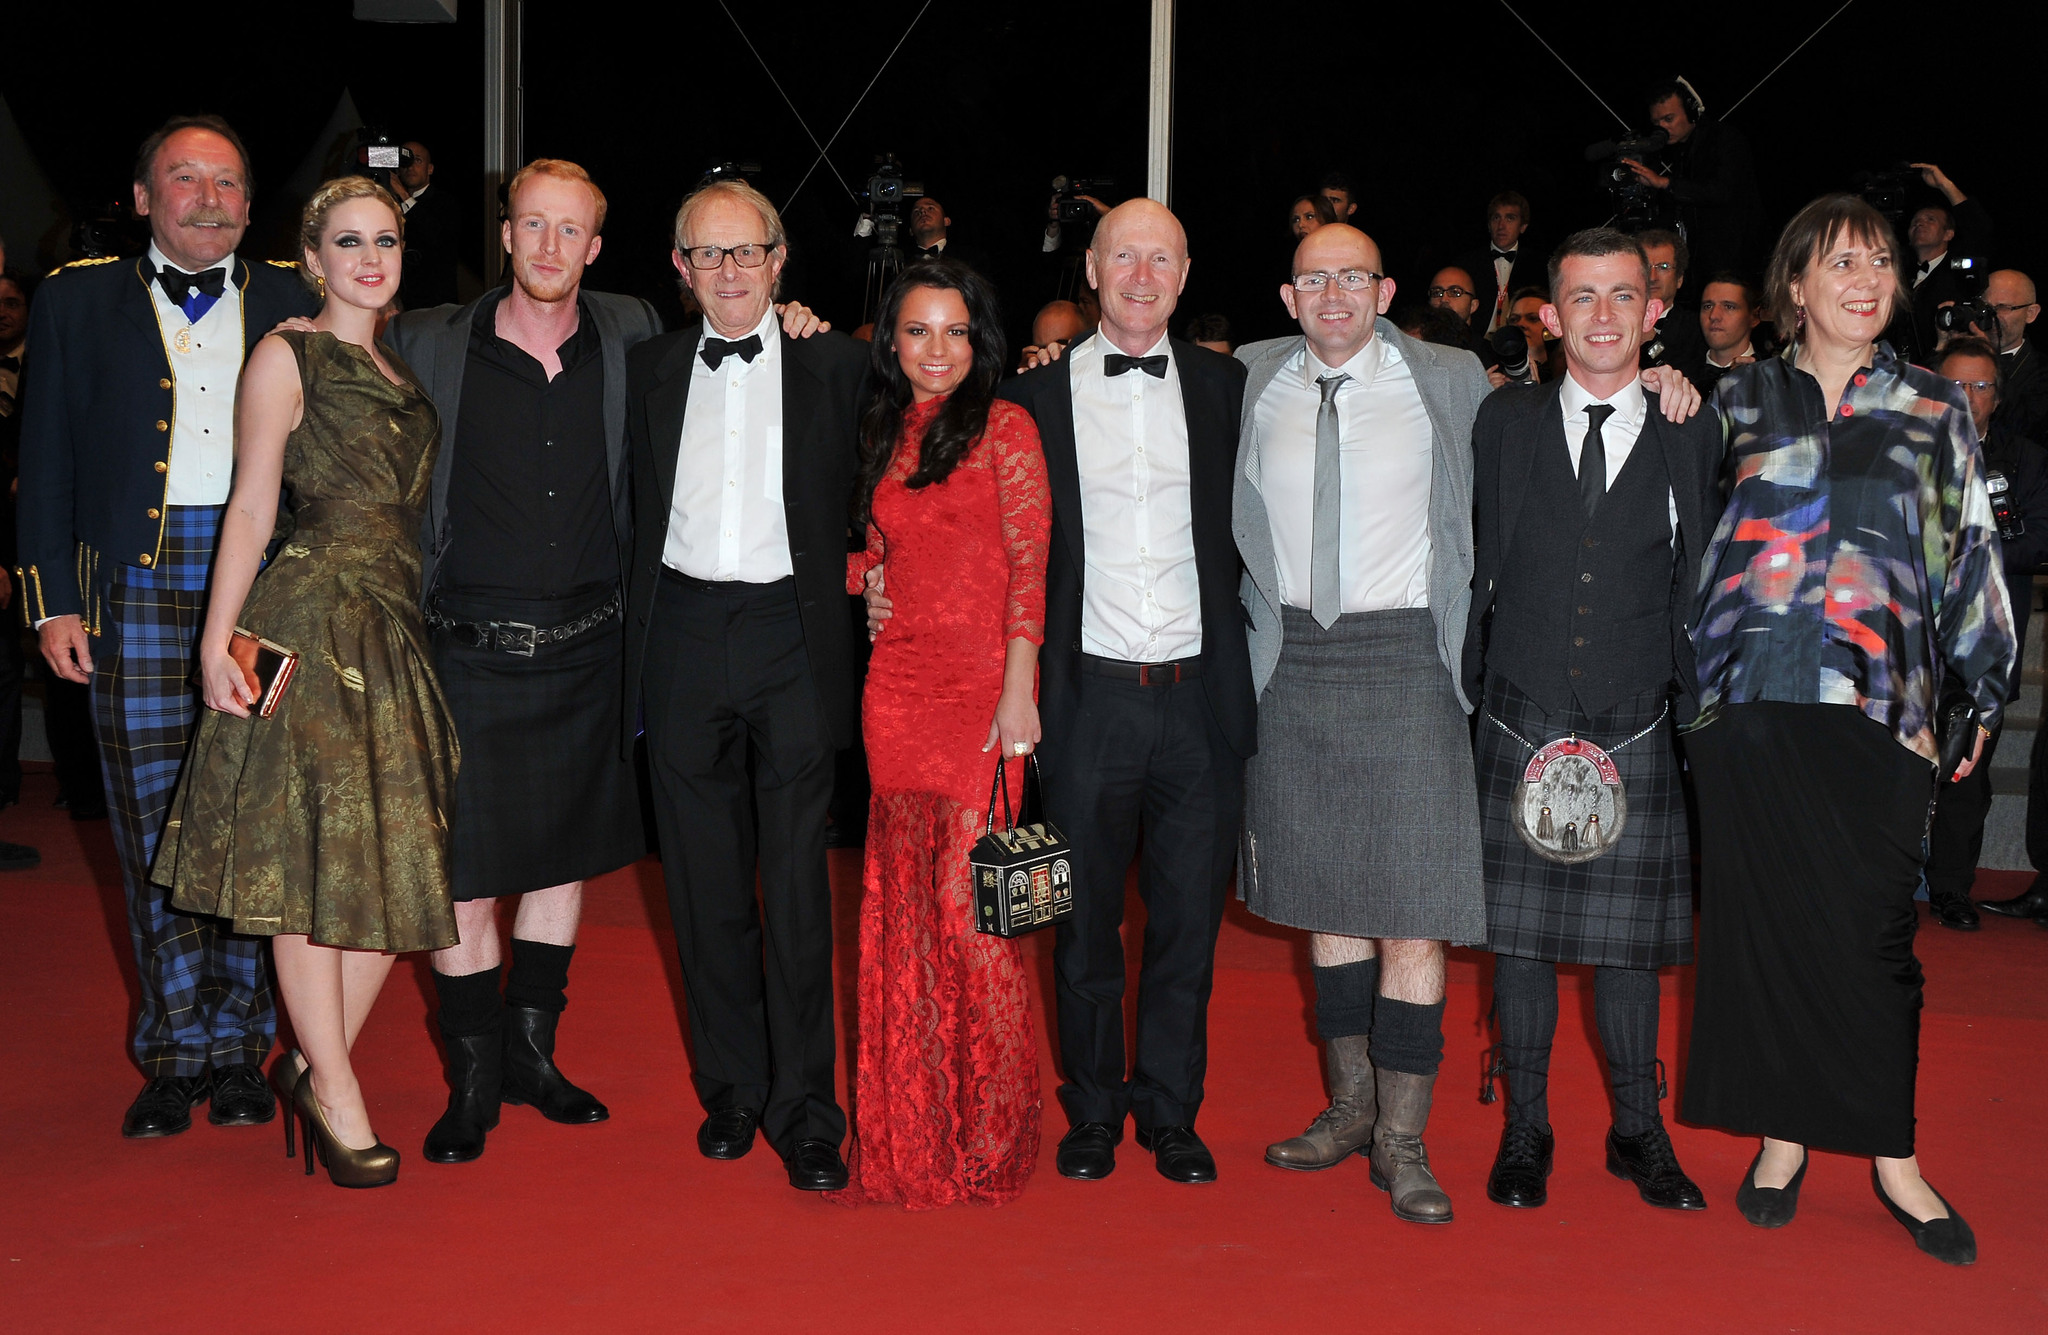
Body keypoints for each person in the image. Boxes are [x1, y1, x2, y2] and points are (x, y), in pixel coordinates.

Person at [878, 200, 1254, 1184]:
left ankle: (1169, 1112)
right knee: (1078, 921)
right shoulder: (1028, 400)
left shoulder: (1228, 385)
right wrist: (871, 582)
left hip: (1197, 698)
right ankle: (1089, 1110)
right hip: (1080, 700)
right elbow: (944, 523)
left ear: (1183, 270)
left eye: (1159, 256)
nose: (1140, 272)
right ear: (1089, 268)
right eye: (1122, 254)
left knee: (1185, 925)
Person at [1684, 193, 2015, 1266]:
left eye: (1878, 261)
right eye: (1839, 262)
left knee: (1874, 941)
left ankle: (1891, 1157)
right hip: (1749, 700)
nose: (1865, 278)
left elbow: (1967, 551)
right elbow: (1679, 538)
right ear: (1793, 286)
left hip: (1883, 702)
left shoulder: (1929, 406)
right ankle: (1782, 1136)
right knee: (1770, 930)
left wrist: (1978, 687)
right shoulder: (1732, 401)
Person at [17, 115, 318, 1139]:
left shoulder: (296, 297)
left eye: (227, 181)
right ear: (141, 197)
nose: (207, 197)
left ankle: (244, 1048)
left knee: (248, 823)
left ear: (250, 201)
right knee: (151, 828)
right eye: (183, 179)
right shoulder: (73, 298)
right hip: (129, 592)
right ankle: (175, 1048)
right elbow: (43, 454)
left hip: (265, 591)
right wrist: (48, 597)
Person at [153, 175, 458, 1188]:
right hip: (306, 624)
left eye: (386, 240)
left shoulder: (400, 366)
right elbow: (249, 508)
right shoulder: (287, 356)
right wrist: (215, 643)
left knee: (402, 867)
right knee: (301, 864)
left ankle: (310, 1066)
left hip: (393, 634)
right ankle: (336, 1089)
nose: (370, 257)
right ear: (313, 258)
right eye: (347, 241)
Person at [379, 159, 662, 1163]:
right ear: (504, 234)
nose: (550, 247)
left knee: (561, 867)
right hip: (464, 651)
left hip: (590, 649)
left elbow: (740, 334)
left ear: (596, 244)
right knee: (460, 878)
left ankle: (535, 1056)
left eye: (570, 230)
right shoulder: (425, 343)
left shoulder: (634, 334)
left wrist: (797, 321)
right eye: (532, 226)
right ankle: (473, 1076)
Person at [1234, 223, 1488, 1225]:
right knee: (1326, 904)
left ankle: (1402, 1140)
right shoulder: (1246, 377)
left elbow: (1557, 416)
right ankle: (1347, 1112)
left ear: (1382, 290)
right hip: (1287, 660)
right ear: (1287, 298)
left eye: (1350, 277)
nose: (1331, 294)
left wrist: (1663, 384)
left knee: (1412, 910)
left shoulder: (1453, 377)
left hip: (1409, 657)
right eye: (1312, 279)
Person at [1466, 228, 1721, 1214]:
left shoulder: (1692, 426)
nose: (1604, 314)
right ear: (1548, 315)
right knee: (1518, 945)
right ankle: (1524, 1127)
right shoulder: (1502, 421)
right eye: (1582, 297)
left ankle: (1635, 1131)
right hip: (1516, 704)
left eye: (1624, 295)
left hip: (1634, 717)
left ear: (1656, 311)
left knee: (1625, 950)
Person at [623, 179, 868, 1192]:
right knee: (702, 881)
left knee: (797, 886)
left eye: (745, 252)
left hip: (792, 635)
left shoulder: (839, 365)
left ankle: (807, 1107)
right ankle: (731, 1086)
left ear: (779, 260)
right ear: (679, 270)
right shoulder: (644, 370)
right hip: (678, 631)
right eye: (705, 255)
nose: (727, 272)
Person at [833, 261, 1050, 1208]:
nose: (936, 350)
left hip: (982, 700)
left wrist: (1019, 694)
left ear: (979, 341)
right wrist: (864, 583)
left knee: (981, 926)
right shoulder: (879, 431)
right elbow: (869, 548)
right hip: (897, 694)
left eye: (955, 332)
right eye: (917, 331)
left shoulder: (1007, 428)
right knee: (909, 920)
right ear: (892, 341)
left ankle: (994, 1135)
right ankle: (914, 1125)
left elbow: (1027, 571)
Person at [1923, 337, 2048, 930]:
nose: (1968, 398)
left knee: (1966, 780)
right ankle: (1887, 886)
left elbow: (2038, 542)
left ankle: (1951, 890)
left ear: (1998, 396)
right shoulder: (1905, 451)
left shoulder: (2027, 460)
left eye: (1981, 387)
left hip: (1986, 643)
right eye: (1957, 385)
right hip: (1906, 643)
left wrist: (1962, 549)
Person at [1619, 79, 1761, 283]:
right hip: (1700, 263)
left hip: (1732, 260)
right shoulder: (1680, 150)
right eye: (1657, 123)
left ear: (1692, 113)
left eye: (1669, 119)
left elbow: (1721, 191)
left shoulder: (1724, 139)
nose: (1663, 128)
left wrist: (1665, 183)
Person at [1455, 191, 1535, 336]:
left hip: (1521, 342)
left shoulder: (1535, 265)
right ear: (1489, 225)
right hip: (1476, 341)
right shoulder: (1467, 264)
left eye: (1510, 218)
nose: (1501, 225)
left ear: (1523, 226)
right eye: (1496, 217)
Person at [1636, 229, 1707, 385]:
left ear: (1680, 279)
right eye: (1646, 267)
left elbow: (1688, 382)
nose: (1652, 277)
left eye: (1663, 267)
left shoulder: (1698, 328)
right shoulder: (1612, 320)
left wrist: (1651, 342)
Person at [395, 140, 459, 310]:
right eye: (405, 161)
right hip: (401, 302)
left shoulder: (444, 202)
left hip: (435, 304)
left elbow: (438, 237)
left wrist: (403, 195)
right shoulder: (390, 204)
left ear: (430, 169)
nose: (410, 166)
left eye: (417, 160)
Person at [1697, 272, 1765, 395]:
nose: (1714, 316)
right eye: (1707, 306)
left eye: (1729, 307)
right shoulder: (1681, 373)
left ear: (1754, 317)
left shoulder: (1772, 378)